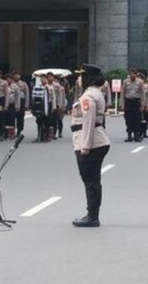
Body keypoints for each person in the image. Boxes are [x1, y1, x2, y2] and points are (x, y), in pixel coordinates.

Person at [70, 64, 110, 228]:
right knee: (92, 180)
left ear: (88, 78)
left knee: (90, 180)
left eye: (81, 76)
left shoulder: (88, 96)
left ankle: (92, 216)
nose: (79, 79)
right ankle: (92, 214)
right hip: (97, 139)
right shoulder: (95, 93)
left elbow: (88, 122)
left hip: (91, 142)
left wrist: (84, 146)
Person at [120, 68, 144, 142]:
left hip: (136, 102)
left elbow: (142, 94)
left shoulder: (140, 82)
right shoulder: (125, 82)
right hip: (128, 102)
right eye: (130, 73)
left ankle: (136, 135)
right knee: (128, 119)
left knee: (137, 118)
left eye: (133, 73)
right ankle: (129, 135)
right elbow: (122, 93)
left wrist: (143, 105)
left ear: (136, 74)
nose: (132, 75)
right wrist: (122, 105)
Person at [47, 73, 66, 139]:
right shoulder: (46, 85)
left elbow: (60, 96)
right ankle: (49, 133)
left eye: (51, 76)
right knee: (49, 119)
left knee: (57, 119)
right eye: (48, 76)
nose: (49, 78)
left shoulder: (57, 85)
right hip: (48, 104)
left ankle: (57, 132)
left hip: (56, 104)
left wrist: (60, 105)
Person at [13, 71, 30, 137]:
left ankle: (19, 130)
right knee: (12, 116)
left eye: (18, 75)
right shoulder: (11, 83)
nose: (16, 76)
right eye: (15, 75)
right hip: (13, 101)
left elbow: (27, 94)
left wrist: (26, 104)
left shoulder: (23, 84)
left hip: (21, 100)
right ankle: (12, 130)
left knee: (20, 117)